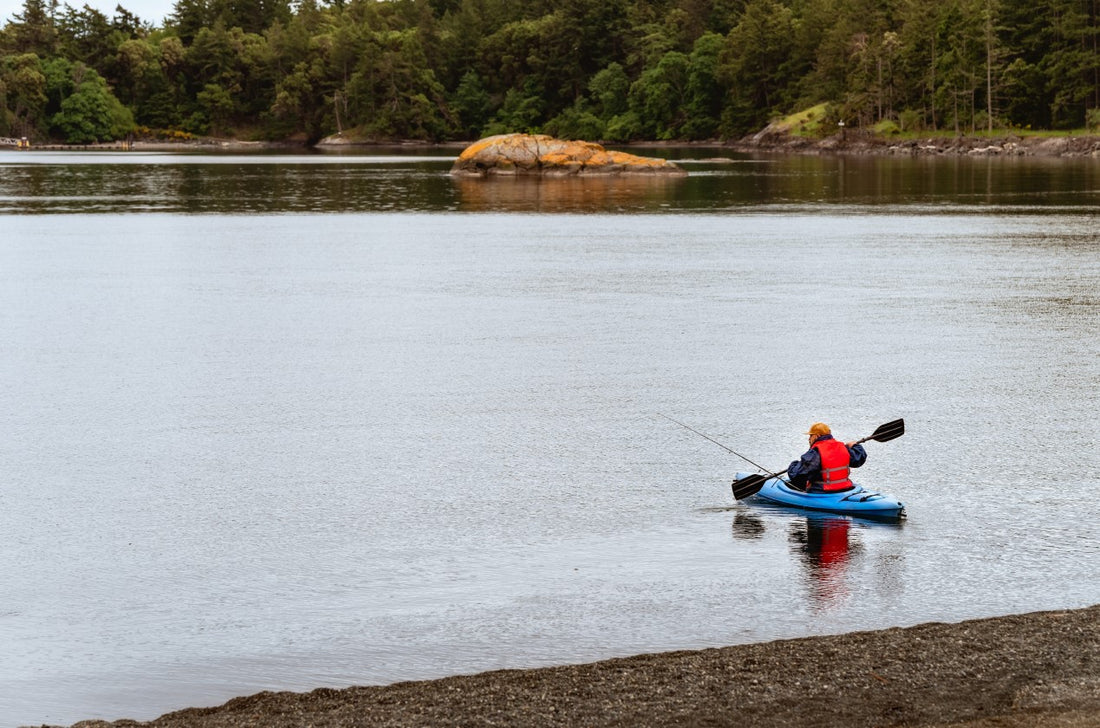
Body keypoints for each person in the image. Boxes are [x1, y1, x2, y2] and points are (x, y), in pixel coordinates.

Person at [787, 422, 866, 492]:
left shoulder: (815, 453)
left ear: (817, 436)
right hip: (844, 489)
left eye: (811, 436)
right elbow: (859, 459)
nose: (809, 439)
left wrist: (794, 465)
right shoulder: (842, 447)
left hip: (822, 492)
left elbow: (797, 475)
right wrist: (855, 446)